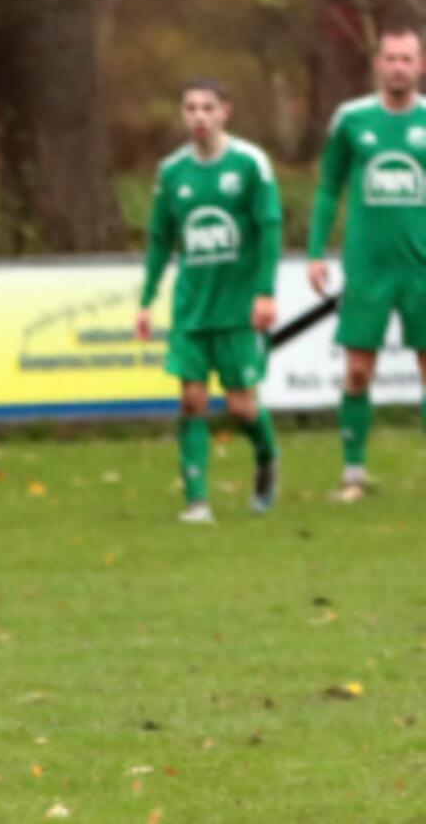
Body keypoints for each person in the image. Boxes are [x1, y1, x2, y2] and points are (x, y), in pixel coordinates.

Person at [136, 78, 282, 523]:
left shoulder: (250, 163)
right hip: (191, 308)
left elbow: (269, 227)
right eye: (191, 108)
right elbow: (161, 239)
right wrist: (146, 300)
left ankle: (267, 456)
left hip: (236, 308)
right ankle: (197, 502)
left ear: (225, 112)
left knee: (241, 407)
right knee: (192, 400)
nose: (199, 116)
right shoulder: (172, 172)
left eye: (208, 107)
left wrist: (264, 292)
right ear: (183, 115)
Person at [308, 26, 426, 503]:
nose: (399, 66)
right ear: (378, 63)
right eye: (391, 58)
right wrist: (316, 252)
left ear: (421, 65)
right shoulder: (352, 119)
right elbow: (328, 186)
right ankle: (353, 474)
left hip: (421, 270)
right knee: (357, 372)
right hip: (368, 269)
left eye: (407, 58)